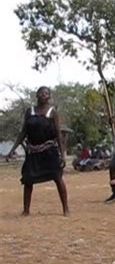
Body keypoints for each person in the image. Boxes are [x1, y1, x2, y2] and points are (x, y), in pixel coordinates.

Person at [6, 86, 69, 216]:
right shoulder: (30, 112)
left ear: (49, 96)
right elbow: (23, 132)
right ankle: (26, 210)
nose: (43, 95)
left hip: (49, 151)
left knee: (57, 177)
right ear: (37, 95)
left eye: (46, 93)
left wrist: (62, 155)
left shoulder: (52, 112)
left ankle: (66, 209)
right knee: (28, 179)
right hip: (33, 152)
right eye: (41, 93)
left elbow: (58, 134)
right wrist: (12, 150)